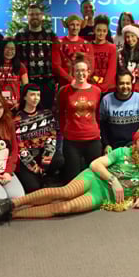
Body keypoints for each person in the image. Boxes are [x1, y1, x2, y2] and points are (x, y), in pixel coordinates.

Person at [0, 128, 139, 224]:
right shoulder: (122, 151)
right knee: (64, 193)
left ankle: (12, 215)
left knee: (64, 208)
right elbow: (95, 164)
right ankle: (11, 204)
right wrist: (113, 179)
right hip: (95, 178)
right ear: (135, 142)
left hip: (104, 196)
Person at [57, 54, 102, 182]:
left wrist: (98, 131)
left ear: (88, 72)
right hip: (72, 141)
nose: (80, 74)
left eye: (83, 70)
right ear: (73, 72)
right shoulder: (64, 91)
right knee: (73, 179)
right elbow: (60, 114)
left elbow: (98, 114)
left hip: (92, 139)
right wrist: (64, 131)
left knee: (95, 177)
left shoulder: (97, 91)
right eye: (77, 71)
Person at [16, 84, 64, 193]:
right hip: (27, 159)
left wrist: (45, 161)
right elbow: (20, 148)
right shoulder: (16, 120)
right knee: (33, 187)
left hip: (43, 155)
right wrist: (35, 167)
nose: (36, 98)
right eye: (32, 95)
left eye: (38, 95)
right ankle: (39, 176)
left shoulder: (47, 114)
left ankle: (46, 175)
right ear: (24, 97)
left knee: (59, 160)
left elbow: (52, 138)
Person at [15, 3, 58, 108]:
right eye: (31, 14)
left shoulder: (50, 35)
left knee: (47, 111)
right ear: (27, 16)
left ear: (42, 16)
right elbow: (16, 59)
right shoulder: (20, 35)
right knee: (29, 111)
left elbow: (57, 58)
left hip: (48, 82)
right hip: (28, 82)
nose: (34, 17)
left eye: (37, 14)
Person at [101, 69, 139, 150]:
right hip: (113, 147)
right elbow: (103, 126)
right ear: (116, 84)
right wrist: (106, 144)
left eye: (128, 83)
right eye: (121, 83)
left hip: (136, 146)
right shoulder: (106, 100)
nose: (125, 86)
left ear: (132, 84)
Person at [0, 38, 28, 110]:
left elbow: (26, 87)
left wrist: (20, 103)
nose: (9, 51)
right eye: (7, 48)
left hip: (15, 106)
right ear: (2, 49)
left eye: (12, 49)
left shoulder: (20, 66)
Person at [52, 14, 94, 87]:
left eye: (77, 25)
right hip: (64, 85)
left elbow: (91, 66)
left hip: (83, 85)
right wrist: (72, 80)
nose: (75, 28)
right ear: (67, 26)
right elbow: (56, 66)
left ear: (80, 26)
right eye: (72, 25)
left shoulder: (87, 44)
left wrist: (82, 80)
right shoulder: (58, 43)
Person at [90, 14, 117, 94]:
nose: (101, 33)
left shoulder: (112, 48)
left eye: (104, 31)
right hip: (91, 87)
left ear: (107, 31)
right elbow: (86, 69)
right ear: (94, 30)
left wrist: (102, 87)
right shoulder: (87, 46)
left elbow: (112, 71)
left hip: (109, 88)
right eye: (98, 30)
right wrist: (93, 87)